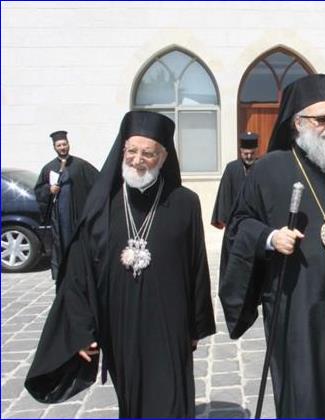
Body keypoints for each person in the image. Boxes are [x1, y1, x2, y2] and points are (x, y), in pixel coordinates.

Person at [219, 74, 325, 417]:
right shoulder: (269, 170)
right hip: (292, 303)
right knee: (301, 393)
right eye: (321, 118)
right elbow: (239, 226)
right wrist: (270, 238)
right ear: (298, 122)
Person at [25, 111, 216, 418]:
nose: (138, 159)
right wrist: (81, 329)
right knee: (133, 401)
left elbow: (197, 264)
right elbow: (78, 272)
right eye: (132, 151)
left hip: (171, 323)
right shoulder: (102, 204)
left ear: (164, 157)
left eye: (148, 153)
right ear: (122, 150)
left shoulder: (185, 202)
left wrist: (196, 324)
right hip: (120, 324)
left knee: (173, 400)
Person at [34, 130, 98, 280]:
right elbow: (38, 190)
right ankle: (63, 273)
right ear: (54, 147)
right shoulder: (49, 167)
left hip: (79, 214)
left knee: (80, 243)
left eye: (64, 144)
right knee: (61, 244)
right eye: (59, 145)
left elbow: (98, 182)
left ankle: (81, 271)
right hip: (60, 217)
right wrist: (49, 190)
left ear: (68, 145)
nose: (62, 147)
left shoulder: (80, 165)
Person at [211, 131, 259, 229]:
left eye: (252, 153)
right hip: (235, 223)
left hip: (258, 222)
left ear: (257, 151)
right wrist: (225, 220)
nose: (249, 156)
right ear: (240, 151)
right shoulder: (231, 168)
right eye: (246, 153)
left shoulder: (262, 167)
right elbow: (225, 194)